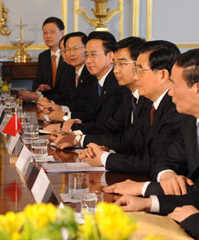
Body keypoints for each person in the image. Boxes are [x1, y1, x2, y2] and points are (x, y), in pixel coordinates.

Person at [79, 41, 185, 177]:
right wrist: (107, 151)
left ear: (162, 74)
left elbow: (156, 161)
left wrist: (104, 158)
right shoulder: (153, 103)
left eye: (140, 70)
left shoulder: (176, 108)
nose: (136, 77)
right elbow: (135, 143)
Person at [51, 37, 150, 149]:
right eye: (87, 55)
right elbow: (110, 126)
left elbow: (128, 140)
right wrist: (73, 132)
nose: (116, 70)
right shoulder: (129, 94)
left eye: (122, 64)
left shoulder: (142, 96)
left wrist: (78, 139)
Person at [37, 32, 96, 122]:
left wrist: (61, 112)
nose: (71, 54)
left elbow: (85, 108)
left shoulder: (92, 73)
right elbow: (66, 97)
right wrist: (51, 103)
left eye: (75, 48)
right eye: (67, 49)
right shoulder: (71, 71)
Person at [19, 17, 71, 103]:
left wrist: (47, 93)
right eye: (45, 33)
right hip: (46, 105)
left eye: (52, 32)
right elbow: (36, 83)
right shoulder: (43, 56)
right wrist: (40, 87)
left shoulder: (69, 55)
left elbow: (68, 90)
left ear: (62, 33)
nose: (48, 36)